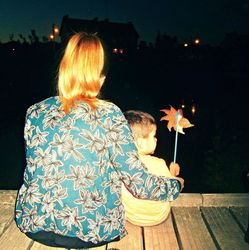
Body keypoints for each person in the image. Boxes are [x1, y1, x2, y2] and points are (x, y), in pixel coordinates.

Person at [15, 32, 184, 249]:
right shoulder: (110, 114)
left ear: (64, 69)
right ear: (99, 77)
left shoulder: (35, 111)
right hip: (92, 230)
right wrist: (174, 185)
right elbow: (139, 184)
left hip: (34, 223)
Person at [122, 110, 182, 226]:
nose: (156, 139)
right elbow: (170, 189)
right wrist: (173, 175)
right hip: (158, 217)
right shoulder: (158, 163)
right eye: (153, 136)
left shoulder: (121, 163)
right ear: (139, 142)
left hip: (131, 217)